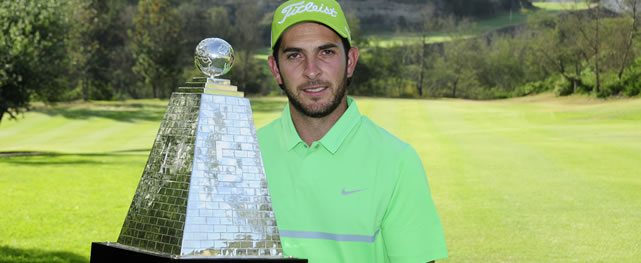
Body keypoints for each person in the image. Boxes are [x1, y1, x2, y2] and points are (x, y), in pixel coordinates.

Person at [257, 0, 447, 262]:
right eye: (294, 55)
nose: (311, 71)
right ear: (275, 69)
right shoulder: (244, 156)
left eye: (326, 53)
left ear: (350, 61)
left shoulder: (397, 161)